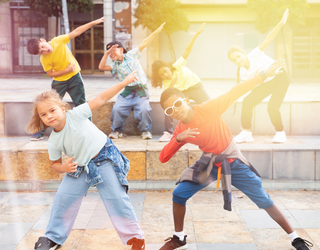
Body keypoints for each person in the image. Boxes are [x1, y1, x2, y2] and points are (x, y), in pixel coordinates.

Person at [157, 60, 313, 250]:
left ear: (186, 99)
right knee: (179, 193)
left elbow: (236, 91)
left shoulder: (209, 108)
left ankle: (295, 237)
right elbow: (163, 157)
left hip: (233, 162)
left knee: (264, 200)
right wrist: (178, 139)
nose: (177, 110)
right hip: (210, 163)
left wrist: (264, 75)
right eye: (170, 110)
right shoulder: (181, 129)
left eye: (178, 103)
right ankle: (179, 238)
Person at [26, 72, 145, 250]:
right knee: (63, 198)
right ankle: (53, 238)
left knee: (116, 198)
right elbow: (55, 165)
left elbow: (102, 98)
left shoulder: (76, 114)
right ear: (41, 119)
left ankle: (135, 238)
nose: (49, 116)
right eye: (44, 114)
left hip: (103, 157)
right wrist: (64, 167)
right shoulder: (53, 141)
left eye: (52, 110)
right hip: (80, 166)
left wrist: (125, 82)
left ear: (62, 108)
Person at [26, 17, 105, 141]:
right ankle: (39, 132)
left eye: (43, 46)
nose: (45, 50)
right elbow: (51, 73)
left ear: (43, 40)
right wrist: (66, 70)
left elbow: (77, 32)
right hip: (59, 82)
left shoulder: (58, 41)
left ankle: (90, 130)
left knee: (81, 104)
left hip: (74, 78)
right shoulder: (44, 59)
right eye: (41, 52)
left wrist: (94, 22)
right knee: (48, 105)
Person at [228, 9, 290, 143]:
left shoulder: (255, 54)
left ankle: (280, 133)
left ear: (243, 53)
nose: (238, 60)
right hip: (266, 83)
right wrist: (258, 80)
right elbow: (251, 88)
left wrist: (281, 23)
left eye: (238, 56)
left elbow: (268, 38)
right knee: (247, 102)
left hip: (280, 78)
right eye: (234, 60)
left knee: (272, 107)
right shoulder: (243, 72)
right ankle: (246, 133)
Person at [98, 23, 166, 140]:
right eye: (109, 53)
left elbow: (145, 42)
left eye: (113, 51)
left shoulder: (131, 55)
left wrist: (156, 31)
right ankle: (116, 130)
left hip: (141, 90)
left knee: (144, 109)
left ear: (121, 49)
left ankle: (145, 131)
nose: (111, 54)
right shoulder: (114, 65)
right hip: (127, 92)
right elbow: (101, 67)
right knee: (117, 109)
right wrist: (105, 54)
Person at [151, 23, 210, 142]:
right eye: (162, 75)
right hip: (182, 92)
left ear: (168, 67)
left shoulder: (176, 66)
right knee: (168, 107)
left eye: (165, 71)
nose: (166, 75)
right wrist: (172, 83)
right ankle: (168, 132)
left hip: (194, 86)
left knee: (209, 103)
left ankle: (212, 125)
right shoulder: (167, 82)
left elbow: (187, 50)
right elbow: (167, 94)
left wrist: (196, 34)